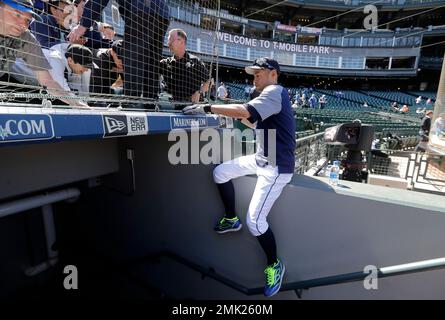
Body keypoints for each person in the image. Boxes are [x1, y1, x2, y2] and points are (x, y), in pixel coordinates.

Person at [182, 57, 295, 297]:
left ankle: (274, 264)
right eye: (253, 73)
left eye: (259, 72)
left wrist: (208, 107)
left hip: (276, 167)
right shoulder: (268, 96)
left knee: (255, 222)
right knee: (220, 172)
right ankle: (232, 218)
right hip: (262, 158)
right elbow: (250, 120)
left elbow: (245, 111)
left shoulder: (275, 91)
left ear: (273, 74)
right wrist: (227, 112)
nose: (254, 76)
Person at [68, 0, 170, 100]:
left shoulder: (94, 25)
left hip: (142, 9)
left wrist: (83, 25)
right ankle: (151, 102)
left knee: (134, 58)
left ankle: (131, 102)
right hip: (162, 13)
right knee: (151, 60)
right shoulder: (65, 20)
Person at [0, 0, 88, 107]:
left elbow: (47, 81)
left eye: (28, 20)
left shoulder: (26, 38)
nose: (23, 25)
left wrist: (76, 104)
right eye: (17, 14)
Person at [159, 29, 210, 105]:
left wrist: (200, 92)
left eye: (171, 39)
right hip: (171, 107)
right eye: (168, 40)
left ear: (181, 41)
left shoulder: (195, 61)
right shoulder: (164, 63)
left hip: (192, 107)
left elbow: (209, 81)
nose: (168, 43)